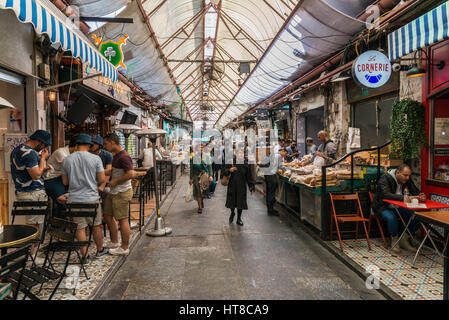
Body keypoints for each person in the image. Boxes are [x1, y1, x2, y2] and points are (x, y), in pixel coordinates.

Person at [62, 133, 109, 264]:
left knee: (80, 227)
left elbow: (65, 182)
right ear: (89, 145)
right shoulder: (96, 159)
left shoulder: (67, 160)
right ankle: (100, 250)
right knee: (96, 226)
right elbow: (101, 179)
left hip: (74, 199)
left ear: (76, 145)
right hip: (91, 199)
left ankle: (85, 256)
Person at [10, 130, 51, 259]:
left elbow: (26, 171)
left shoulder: (17, 150)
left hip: (23, 192)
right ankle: (30, 256)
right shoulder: (30, 153)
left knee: (32, 225)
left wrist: (41, 167)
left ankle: (29, 255)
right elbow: (36, 175)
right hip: (33, 193)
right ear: (39, 142)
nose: (44, 148)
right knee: (35, 227)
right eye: (44, 145)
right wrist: (43, 159)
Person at [372, 164, 425, 253]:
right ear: (398, 173)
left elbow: (415, 190)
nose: (407, 178)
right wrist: (405, 198)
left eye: (409, 175)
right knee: (391, 218)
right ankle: (395, 241)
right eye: (405, 175)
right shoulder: (385, 178)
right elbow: (386, 195)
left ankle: (404, 239)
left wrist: (421, 195)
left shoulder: (406, 179)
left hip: (399, 206)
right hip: (383, 206)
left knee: (419, 216)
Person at [103, 133, 136, 256]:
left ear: (112, 142)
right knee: (107, 215)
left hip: (121, 192)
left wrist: (115, 181)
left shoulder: (124, 157)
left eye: (105, 144)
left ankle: (124, 247)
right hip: (114, 192)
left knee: (123, 219)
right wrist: (100, 171)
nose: (104, 147)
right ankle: (115, 241)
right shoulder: (116, 156)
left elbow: (131, 174)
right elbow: (115, 170)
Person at [223, 147, 255, 226]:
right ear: (236, 154)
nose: (240, 155)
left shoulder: (246, 164)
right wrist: (229, 170)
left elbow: (249, 176)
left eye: (242, 153)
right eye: (239, 153)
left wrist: (251, 187)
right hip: (232, 185)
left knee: (240, 202)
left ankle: (239, 218)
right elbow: (224, 171)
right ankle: (232, 213)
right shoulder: (231, 162)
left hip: (241, 186)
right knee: (232, 201)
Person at [44, 137, 76, 202]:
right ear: (76, 146)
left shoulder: (75, 154)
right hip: (52, 179)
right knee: (62, 201)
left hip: (63, 178)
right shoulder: (61, 152)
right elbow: (69, 168)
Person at [259, 147, 288, 216]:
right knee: (271, 192)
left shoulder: (274, 155)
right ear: (283, 151)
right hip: (271, 175)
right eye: (285, 154)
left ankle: (270, 209)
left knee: (269, 192)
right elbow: (280, 166)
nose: (285, 155)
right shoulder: (279, 156)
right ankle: (270, 210)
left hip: (267, 174)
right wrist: (289, 170)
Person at [189, 143, 213, 214]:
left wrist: (211, 176)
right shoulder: (194, 157)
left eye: (202, 148)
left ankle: (201, 200)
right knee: (198, 192)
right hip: (196, 176)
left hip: (204, 176)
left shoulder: (207, 157)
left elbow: (210, 167)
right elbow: (192, 169)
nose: (201, 149)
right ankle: (199, 207)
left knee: (203, 191)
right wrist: (191, 178)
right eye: (199, 148)